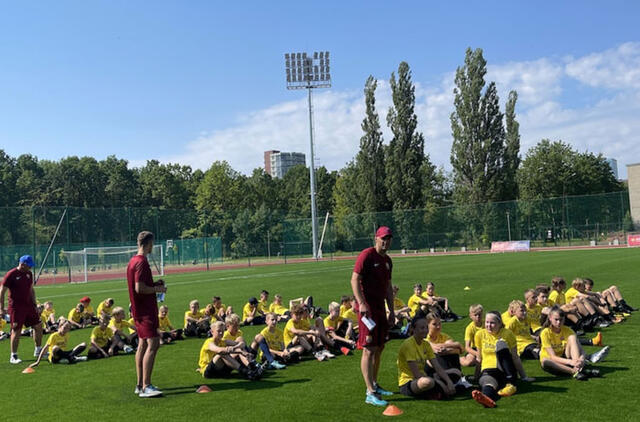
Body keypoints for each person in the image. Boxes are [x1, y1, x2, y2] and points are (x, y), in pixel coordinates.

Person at [350, 226, 394, 407]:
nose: (386, 242)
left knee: (379, 347)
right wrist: (361, 303)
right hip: (367, 311)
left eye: (388, 239)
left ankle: (374, 383)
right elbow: (354, 279)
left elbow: (388, 287)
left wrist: (391, 310)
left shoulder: (388, 261)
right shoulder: (366, 255)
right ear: (376, 238)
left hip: (380, 310)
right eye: (383, 238)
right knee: (368, 348)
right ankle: (370, 392)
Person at [127, 231, 167, 398]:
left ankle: (139, 384)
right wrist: (157, 289)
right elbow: (139, 288)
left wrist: (154, 284)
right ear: (149, 243)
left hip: (139, 310)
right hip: (145, 312)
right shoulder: (142, 262)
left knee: (142, 345)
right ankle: (146, 386)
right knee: (153, 344)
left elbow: (141, 285)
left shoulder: (133, 260)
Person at [471, 311, 533, 408]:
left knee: (500, 344)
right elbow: (479, 358)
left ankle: (511, 382)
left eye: (492, 323)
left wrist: (524, 377)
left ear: (500, 323)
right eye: (487, 322)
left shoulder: (507, 334)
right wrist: (476, 376)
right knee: (488, 384)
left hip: (506, 369)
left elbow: (515, 357)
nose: (489, 325)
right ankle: (487, 399)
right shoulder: (479, 334)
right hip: (489, 370)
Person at [539, 306, 609, 380]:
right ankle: (575, 372)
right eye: (556, 320)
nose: (559, 322)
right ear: (550, 318)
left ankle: (577, 368)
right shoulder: (545, 332)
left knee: (572, 338)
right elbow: (553, 357)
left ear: (564, 319)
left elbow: (582, 351)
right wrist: (570, 362)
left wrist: (580, 360)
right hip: (554, 362)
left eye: (561, 320)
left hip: (566, 358)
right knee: (545, 361)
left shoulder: (568, 330)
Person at [397, 317, 456, 400]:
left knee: (455, 372)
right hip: (409, 382)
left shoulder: (426, 344)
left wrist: (448, 381)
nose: (425, 330)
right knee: (427, 382)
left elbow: (437, 366)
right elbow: (416, 374)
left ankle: (436, 391)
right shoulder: (408, 345)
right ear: (413, 329)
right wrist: (439, 383)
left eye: (426, 328)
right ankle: (437, 390)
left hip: (425, 376)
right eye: (422, 328)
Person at [0, 255, 44, 364]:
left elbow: (31, 289)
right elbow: (2, 292)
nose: (30, 268)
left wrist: (35, 304)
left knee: (38, 326)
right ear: (22, 264)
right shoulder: (11, 274)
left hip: (28, 305)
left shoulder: (29, 274)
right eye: (29, 265)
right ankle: (13, 356)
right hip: (16, 307)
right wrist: (1, 308)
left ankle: (38, 350)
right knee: (16, 329)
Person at [198, 321, 263, 380]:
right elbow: (219, 350)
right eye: (218, 331)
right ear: (212, 332)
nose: (221, 333)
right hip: (209, 372)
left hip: (221, 370)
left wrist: (238, 347)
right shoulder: (209, 342)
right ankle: (246, 372)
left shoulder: (223, 341)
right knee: (222, 353)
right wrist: (238, 350)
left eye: (223, 331)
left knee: (238, 349)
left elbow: (242, 344)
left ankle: (251, 368)